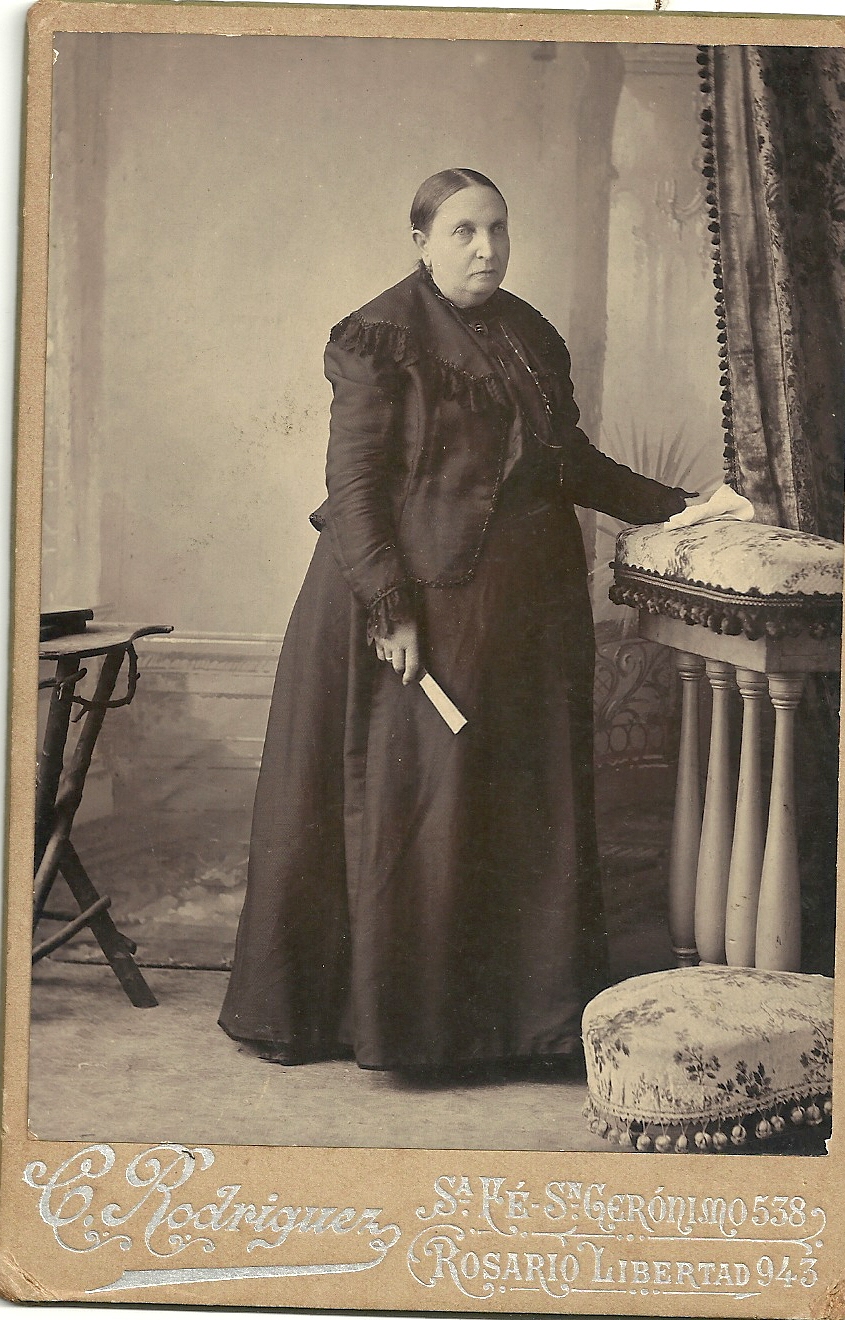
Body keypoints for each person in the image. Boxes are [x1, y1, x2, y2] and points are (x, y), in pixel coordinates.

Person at [219, 168, 695, 1072]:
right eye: (464, 231)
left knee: (502, 806)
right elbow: (354, 486)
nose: (486, 249)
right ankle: (407, 1028)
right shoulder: (378, 336)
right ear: (421, 242)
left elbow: (567, 462)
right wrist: (389, 609)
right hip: (406, 604)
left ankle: (512, 1025)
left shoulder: (527, 332)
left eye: (498, 229)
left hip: (518, 614)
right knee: (417, 811)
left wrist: (678, 507)